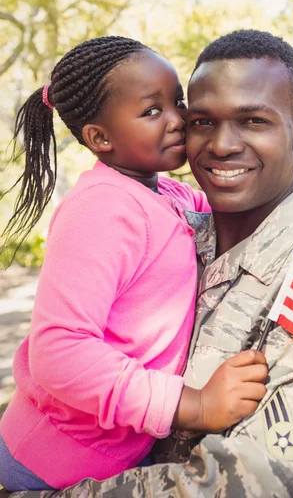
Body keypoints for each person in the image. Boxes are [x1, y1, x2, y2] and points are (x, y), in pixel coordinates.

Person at [5, 29, 293, 498]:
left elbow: (242, 488)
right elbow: (64, 349)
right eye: (203, 121)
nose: (222, 145)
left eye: (253, 121)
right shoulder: (171, 221)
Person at [0, 36, 269, 491]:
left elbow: (230, 208)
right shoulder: (103, 208)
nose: (177, 120)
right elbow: (60, 350)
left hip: (108, 457)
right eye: (152, 111)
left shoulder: (166, 193)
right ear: (100, 138)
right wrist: (194, 405)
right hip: (48, 464)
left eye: (177, 102)